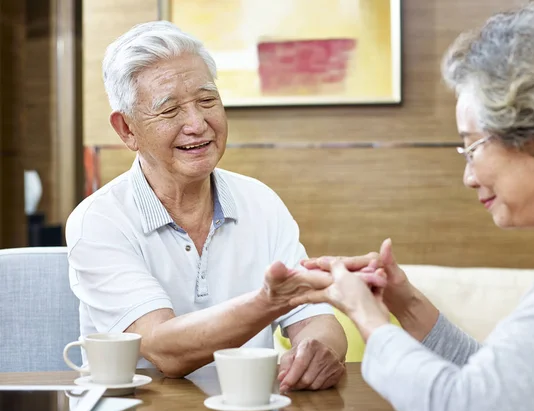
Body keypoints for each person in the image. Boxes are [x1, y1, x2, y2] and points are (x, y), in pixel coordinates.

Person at [280, 4, 534, 411]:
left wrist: (368, 319)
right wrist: (404, 304)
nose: (469, 176)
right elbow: (496, 392)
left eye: (473, 147)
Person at [65, 20, 352, 392]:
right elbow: (165, 351)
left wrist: (319, 348)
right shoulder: (99, 220)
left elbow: (316, 316)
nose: (197, 124)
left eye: (207, 100)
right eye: (169, 110)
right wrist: (265, 303)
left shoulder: (260, 202)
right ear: (127, 130)